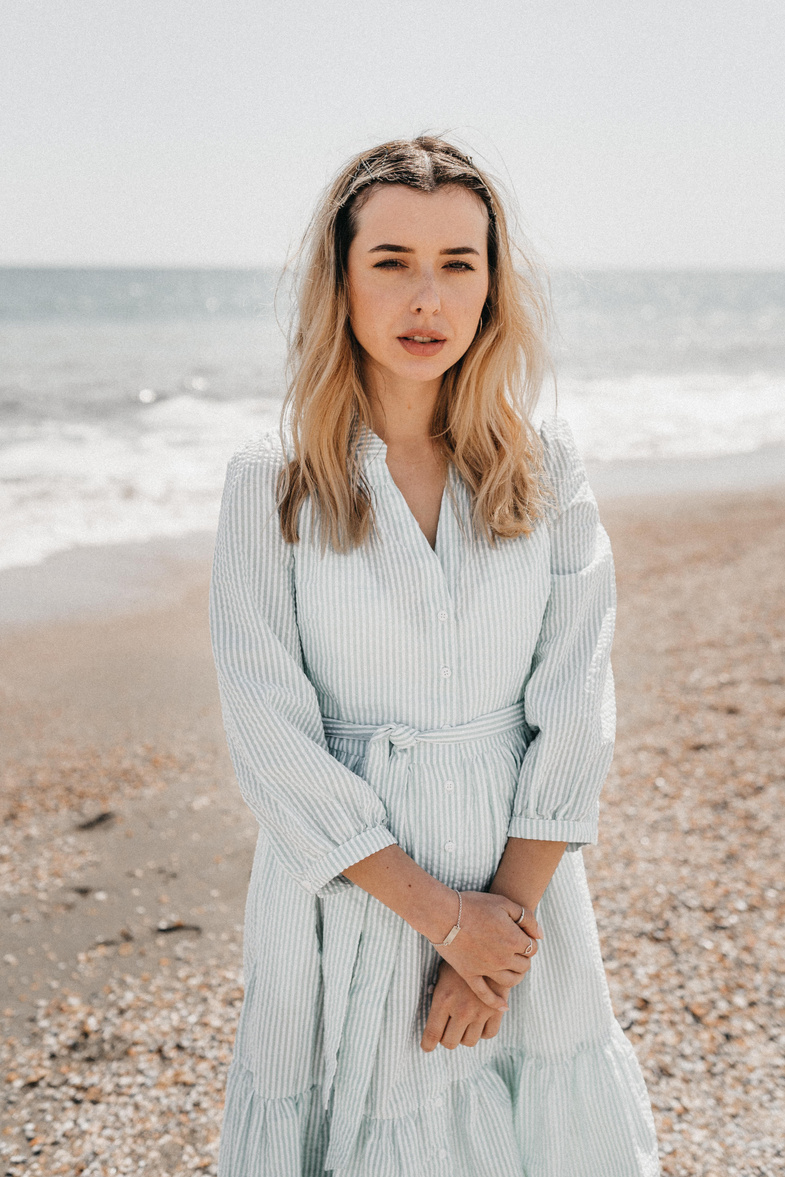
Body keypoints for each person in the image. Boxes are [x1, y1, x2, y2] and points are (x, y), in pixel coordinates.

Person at [209, 136, 660, 1176]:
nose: (427, 297)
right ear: (341, 277)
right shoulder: (267, 484)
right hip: (346, 894)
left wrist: (492, 936)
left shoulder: (544, 470)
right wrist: (444, 920)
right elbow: (270, 740)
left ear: (492, 286)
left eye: (458, 263)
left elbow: (575, 709)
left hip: (520, 893)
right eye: (392, 261)